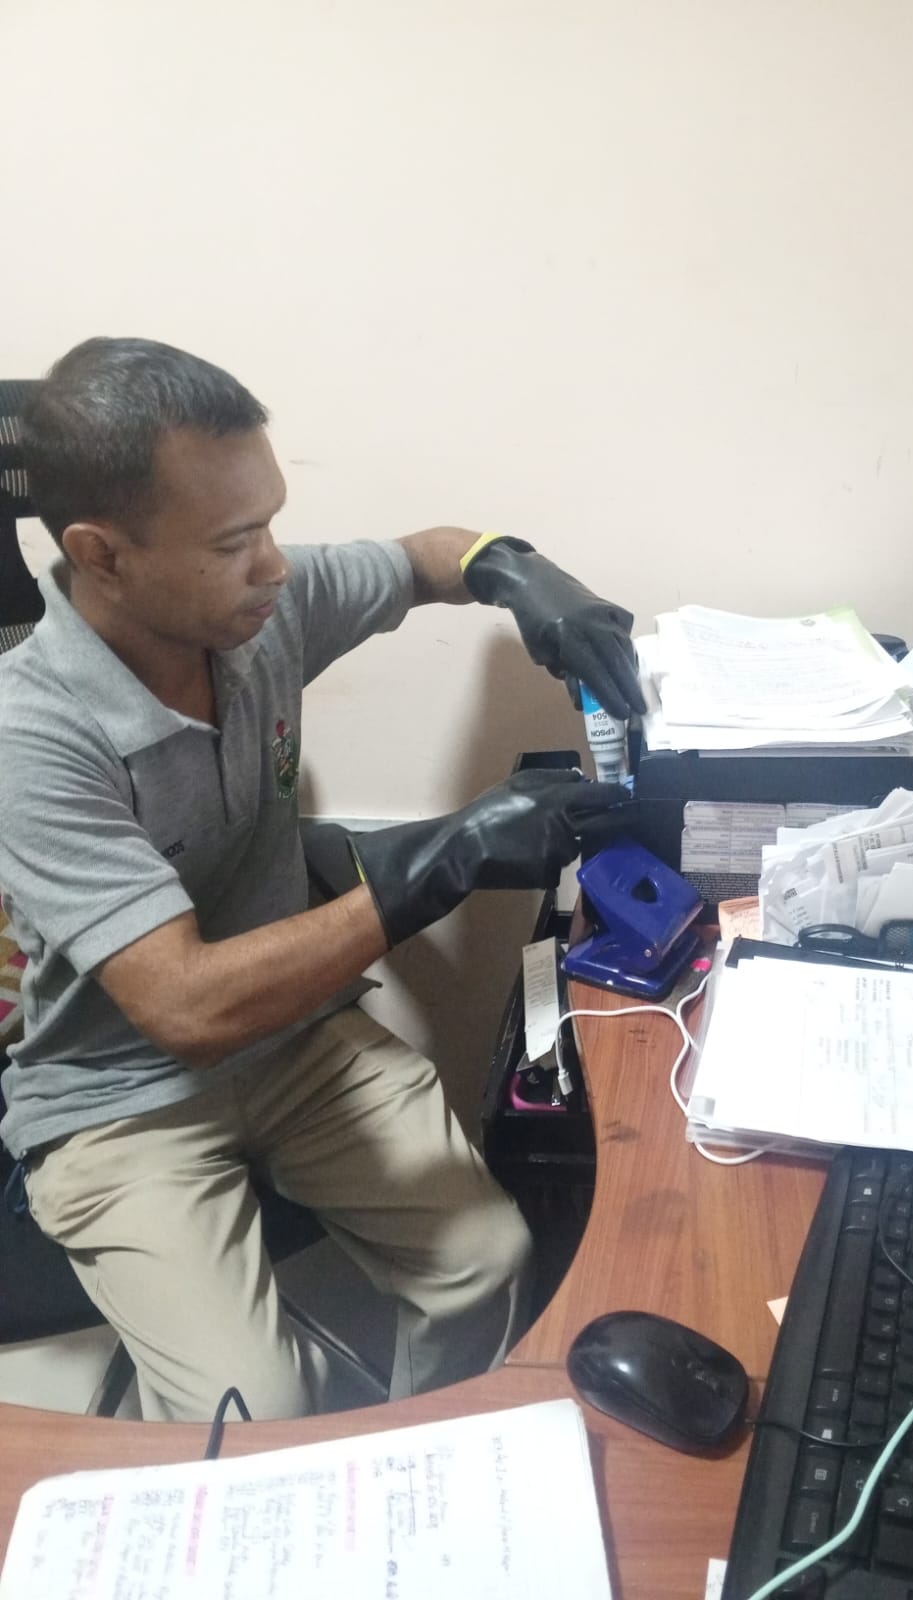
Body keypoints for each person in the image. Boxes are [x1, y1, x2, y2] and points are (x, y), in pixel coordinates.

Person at [0, 336, 644, 1423]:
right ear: (101, 555)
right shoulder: (31, 734)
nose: (276, 566)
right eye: (234, 541)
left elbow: (428, 557)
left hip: (293, 1041)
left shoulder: (254, 614)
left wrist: (519, 572)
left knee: (487, 1259)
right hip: (120, 1095)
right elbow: (185, 1005)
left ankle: (415, 1452)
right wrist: (445, 861)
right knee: (249, 1406)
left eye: (271, 522)